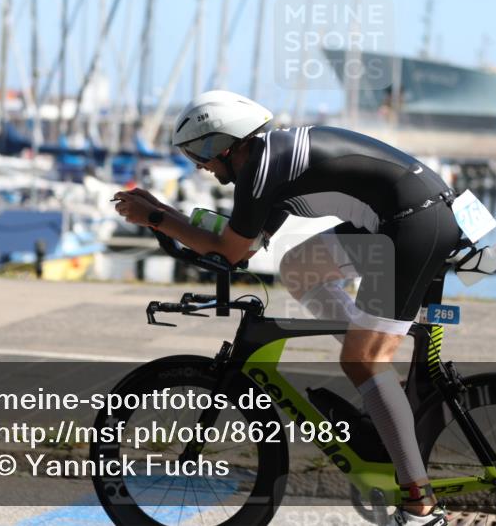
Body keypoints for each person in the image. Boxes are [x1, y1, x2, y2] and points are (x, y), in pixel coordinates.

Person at [113, 90, 461, 525]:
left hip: (412, 223)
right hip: (404, 217)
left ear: (226, 141)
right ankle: (376, 367)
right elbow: (248, 242)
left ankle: (421, 507)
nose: (197, 164)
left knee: (363, 361)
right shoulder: (268, 161)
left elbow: (232, 250)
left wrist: (157, 219)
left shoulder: (261, 166)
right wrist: (164, 211)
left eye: (198, 151)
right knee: (299, 268)